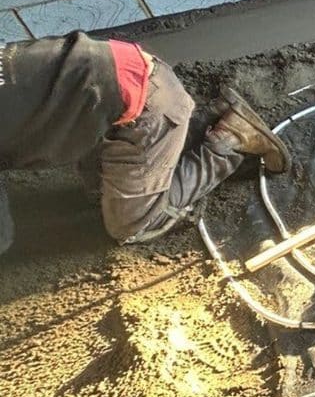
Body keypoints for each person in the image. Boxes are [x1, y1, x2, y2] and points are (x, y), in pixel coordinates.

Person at [0, 31, 291, 257]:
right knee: (97, 193)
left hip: (142, 106)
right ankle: (208, 122)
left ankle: (229, 141)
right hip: (123, 75)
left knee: (130, 226)